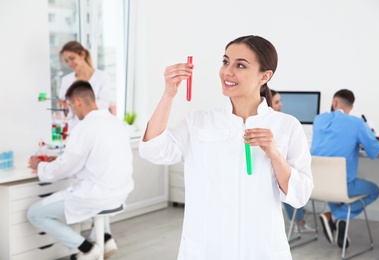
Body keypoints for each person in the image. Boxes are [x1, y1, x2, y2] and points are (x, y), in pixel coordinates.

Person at [138, 35, 313, 259]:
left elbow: (300, 195)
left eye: (240, 65)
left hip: (261, 248)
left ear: (265, 76)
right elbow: (153, 150)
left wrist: (275, 155)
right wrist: (169, 94)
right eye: (225, 62)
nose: (227, 71)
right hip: (207, 247)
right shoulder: (198, 122)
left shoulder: (287, 126)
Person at [27, 80, 134, 260]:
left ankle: (86, 248)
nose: (71, 111)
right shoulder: (116, 123)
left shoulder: (84, 127)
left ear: (77, 101)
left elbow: (65, 169)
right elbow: (95, 159)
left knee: (35, 213)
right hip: (119, 193)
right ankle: (105, 237)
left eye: (70, 105)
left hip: (96, 195)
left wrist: (41, 166)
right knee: (95, 190)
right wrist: (62, 158)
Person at [311, 89, 379, 249]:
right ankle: (335, 216)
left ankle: (337, 221)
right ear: (351, 107)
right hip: (341, 187)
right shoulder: (356, 123)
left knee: (335, 190)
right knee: (374, 191)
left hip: (316, 186)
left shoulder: (318, 120)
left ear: (334, 103)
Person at [271, 89, 314, 233]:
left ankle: (298, 222)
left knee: (291, 178)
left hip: (301, 188)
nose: (281, 105)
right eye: (276, 102)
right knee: (287, 178)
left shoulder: (290, 126)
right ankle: (299, 222)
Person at [58, 41, 111, 131]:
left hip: (97, 128)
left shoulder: (102, 77)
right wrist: (65, 108)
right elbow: (67, 115)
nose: (70, 64)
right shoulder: (66, 80)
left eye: (72, 58)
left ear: (82, 54)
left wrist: (80, 103)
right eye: (66, 61)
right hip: (76, 129)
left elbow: (104, 106)